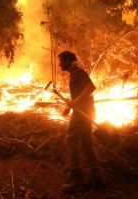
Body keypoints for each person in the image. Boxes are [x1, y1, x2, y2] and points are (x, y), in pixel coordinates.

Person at [56, 51, 103, 193]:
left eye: (61, 61)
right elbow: (79, 96)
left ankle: (76, 176)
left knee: (71, 139)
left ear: (68, 61)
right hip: (83, 112)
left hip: (83, 114)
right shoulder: (74, 74)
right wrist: (69, 108)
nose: (59, 64)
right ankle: (96, 177)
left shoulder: (78, 73)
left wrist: (76, 101)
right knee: (86, 144)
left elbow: (91, 88)